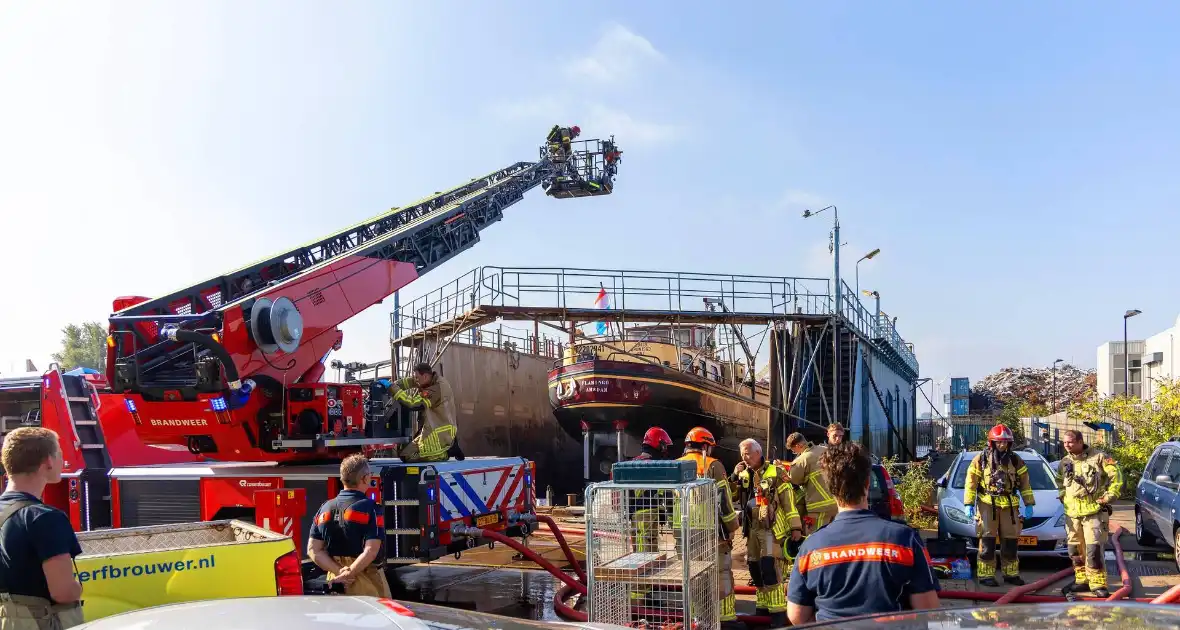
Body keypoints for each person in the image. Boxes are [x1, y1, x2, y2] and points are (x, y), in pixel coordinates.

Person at [786, 442, 940, 624]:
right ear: (867, 483)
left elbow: (797, 617)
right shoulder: (904, 540)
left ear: (829, 488)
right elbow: (929, 610)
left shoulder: (810, 548)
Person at [0, 427, 85, 629]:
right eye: (59, 454)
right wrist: (77, 589)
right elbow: (63, 592)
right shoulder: (45, 518)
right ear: (48, 461)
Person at [677, 427, 741, 629]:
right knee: (720, 573)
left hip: (683, 533)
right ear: (705, 445)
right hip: (711, 531)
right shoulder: (712, 465)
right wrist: (732, 526)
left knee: (693, 576)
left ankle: (699, 620)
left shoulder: (675, 465)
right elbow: (724, 500)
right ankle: (725, 619)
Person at [307, 454, 392, 598]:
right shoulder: (371, 508)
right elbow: (371, 551)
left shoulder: (325, 508)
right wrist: (349, 573)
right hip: (365, 578)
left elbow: (313, 550)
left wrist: (339, 572)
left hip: (335, 580)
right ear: (364, 478)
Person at [962, 424, 1036, 587]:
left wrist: (1029, 504)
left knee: (1010, 541)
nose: (1002, 445)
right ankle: (986, 575)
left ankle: (1010, 574)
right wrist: (969, 503)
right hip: (987, 504)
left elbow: (1025, 484)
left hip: (1009, 506)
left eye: (1005, 442)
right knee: (987, 542)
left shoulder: (1016, 460)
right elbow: (971, 483)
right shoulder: (980, 460)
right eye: (999, 442)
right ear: (992, 442)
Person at [731, 438, 794, 627]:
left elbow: (788, 501)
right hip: (751, 529)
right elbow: (732, 496)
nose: (745, 457)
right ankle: (762, 609)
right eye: (742, 454)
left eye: (748, 453)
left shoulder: (776, 472)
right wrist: (734, 476)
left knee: (770, 569)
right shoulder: (743, 474)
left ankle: (778, 614)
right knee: (755, 569)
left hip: (771, 529)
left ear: (758, 452)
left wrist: (796, 527)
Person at [1056, 429, 1123, 598]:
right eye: (1064, 442)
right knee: (1075, 549)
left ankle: (1098, 583)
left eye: (1070, 442)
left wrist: (1109, 496)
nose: (1067, 445)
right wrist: (1062, 496)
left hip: (1094, 513)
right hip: (1072, 514)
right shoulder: (1064, 462)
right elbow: (1059, 481)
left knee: (1093, 549)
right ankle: (1082, 580)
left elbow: (1117, 477)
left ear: (1080, 441)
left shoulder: (1099, 458)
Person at [391, 363, 458, 463]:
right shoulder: (429, 380)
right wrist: (394, 384)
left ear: (425, 376)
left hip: (438, 433)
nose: (416, 380)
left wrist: (392, 389)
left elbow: (413, 404)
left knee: (410, 457)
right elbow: (411, 381)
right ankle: (444, 450)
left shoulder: (436, 389)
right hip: (433, 429)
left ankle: (446, 453)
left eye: (417, 377)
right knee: (404, 455)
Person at [786, 432, 837, 533]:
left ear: (798, 446)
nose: (795, 453)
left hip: (818, 507)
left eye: (793, 450)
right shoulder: (826, 450)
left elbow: (793, 480)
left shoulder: (802, 460)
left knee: (815, 538)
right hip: (836, 504)